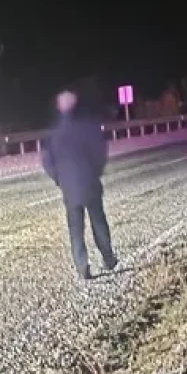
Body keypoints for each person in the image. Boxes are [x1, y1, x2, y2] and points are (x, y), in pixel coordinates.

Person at [42, 89, 118, 281]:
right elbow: (101, 152)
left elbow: (47, 161)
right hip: (90, 182)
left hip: (69, 187)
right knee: (98, 222)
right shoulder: (89, 127)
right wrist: (96, 172)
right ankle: (108, 258)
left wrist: (59, 179)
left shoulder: (53, 133)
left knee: (75, 229)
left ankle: (82, 264)